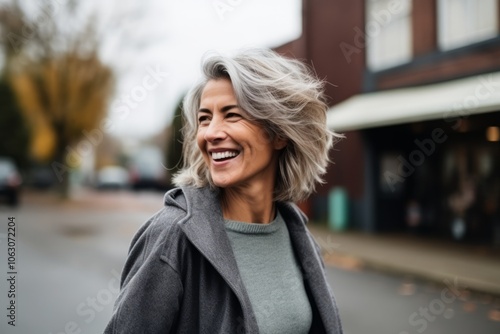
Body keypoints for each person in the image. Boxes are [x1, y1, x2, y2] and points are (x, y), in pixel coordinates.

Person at [104, 48, 343, 334]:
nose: (210, 133)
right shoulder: (171, 237)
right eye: (205, 119)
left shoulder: (297, 235)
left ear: (279, 133)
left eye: (231, 115)